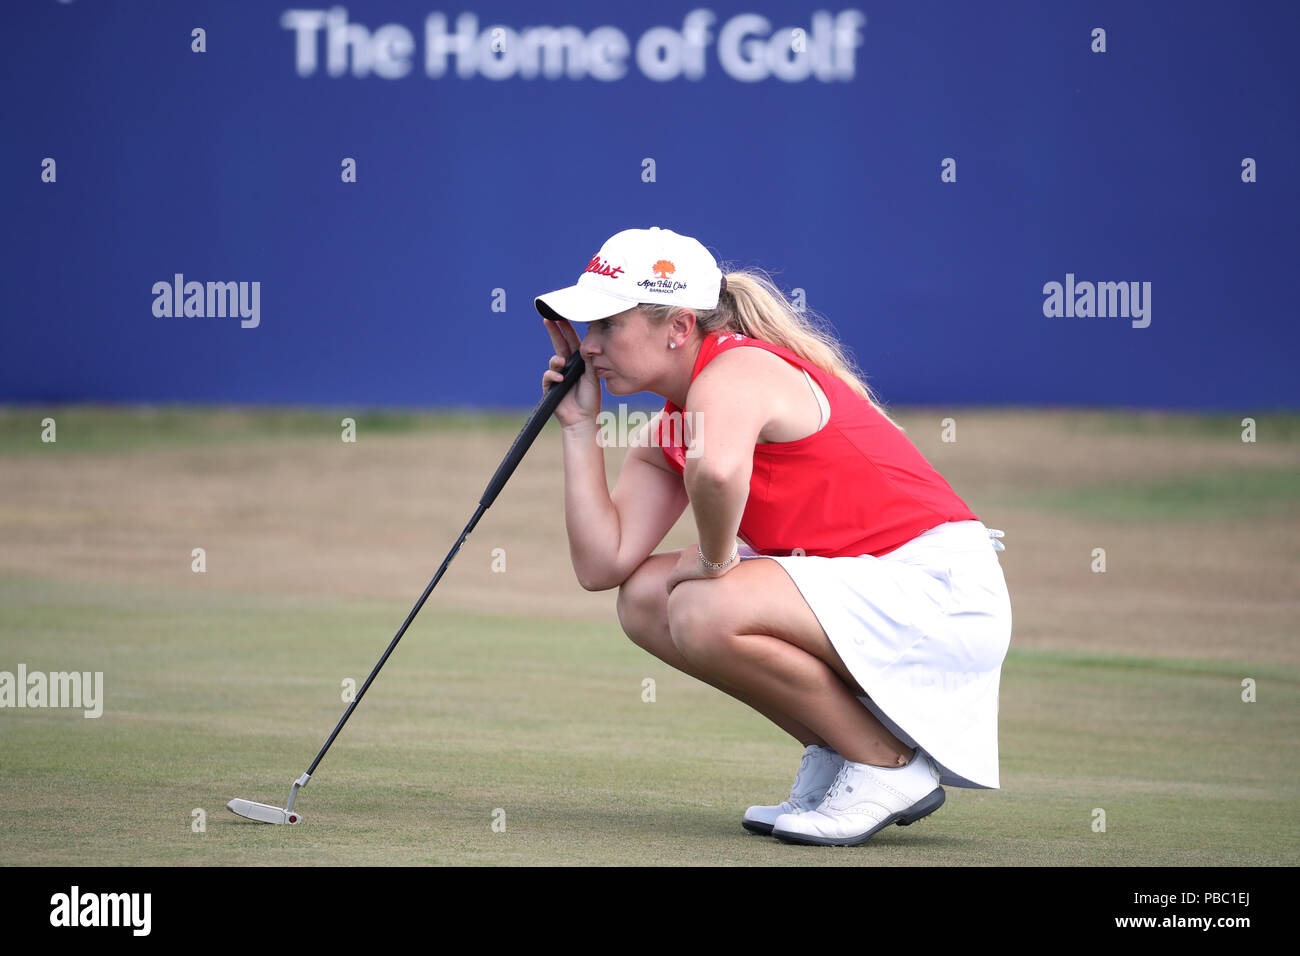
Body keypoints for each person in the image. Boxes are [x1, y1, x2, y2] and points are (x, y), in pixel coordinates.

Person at [534, 226, 1013, 847]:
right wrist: (578, 426)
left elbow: (720, 470)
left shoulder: (737, 369)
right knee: (646, 597)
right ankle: (839, 748)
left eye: (607, 326)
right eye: (587, 330)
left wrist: (711, 558)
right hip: (871, 595)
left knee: (704, 605)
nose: (587, 347)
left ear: (678, 327)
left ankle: (885, 765)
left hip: (938, 592)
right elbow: (602, 566)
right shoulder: (673, 423)